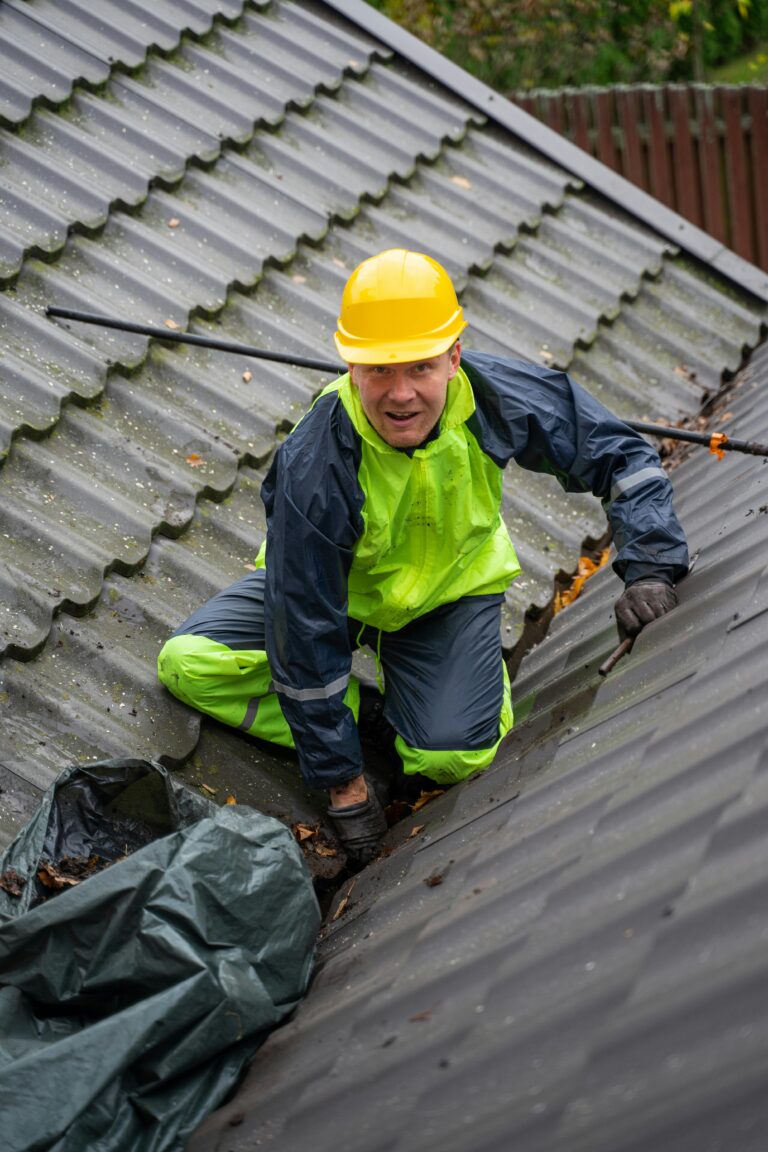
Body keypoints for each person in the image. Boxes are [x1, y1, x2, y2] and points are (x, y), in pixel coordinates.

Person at [158, 249, 688, 867]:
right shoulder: (317, 461)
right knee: (190, 663)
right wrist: (342, 782)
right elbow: (304, 620)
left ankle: (437, 695)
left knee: (450, 755)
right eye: (380, 370)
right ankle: (364, 726)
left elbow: (619, 455)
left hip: (445, 596)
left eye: (420, 367)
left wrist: (650, 561)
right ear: (352, 365)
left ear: (454, 357)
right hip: (337, 597)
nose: (401, 393)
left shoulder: (494, 398)